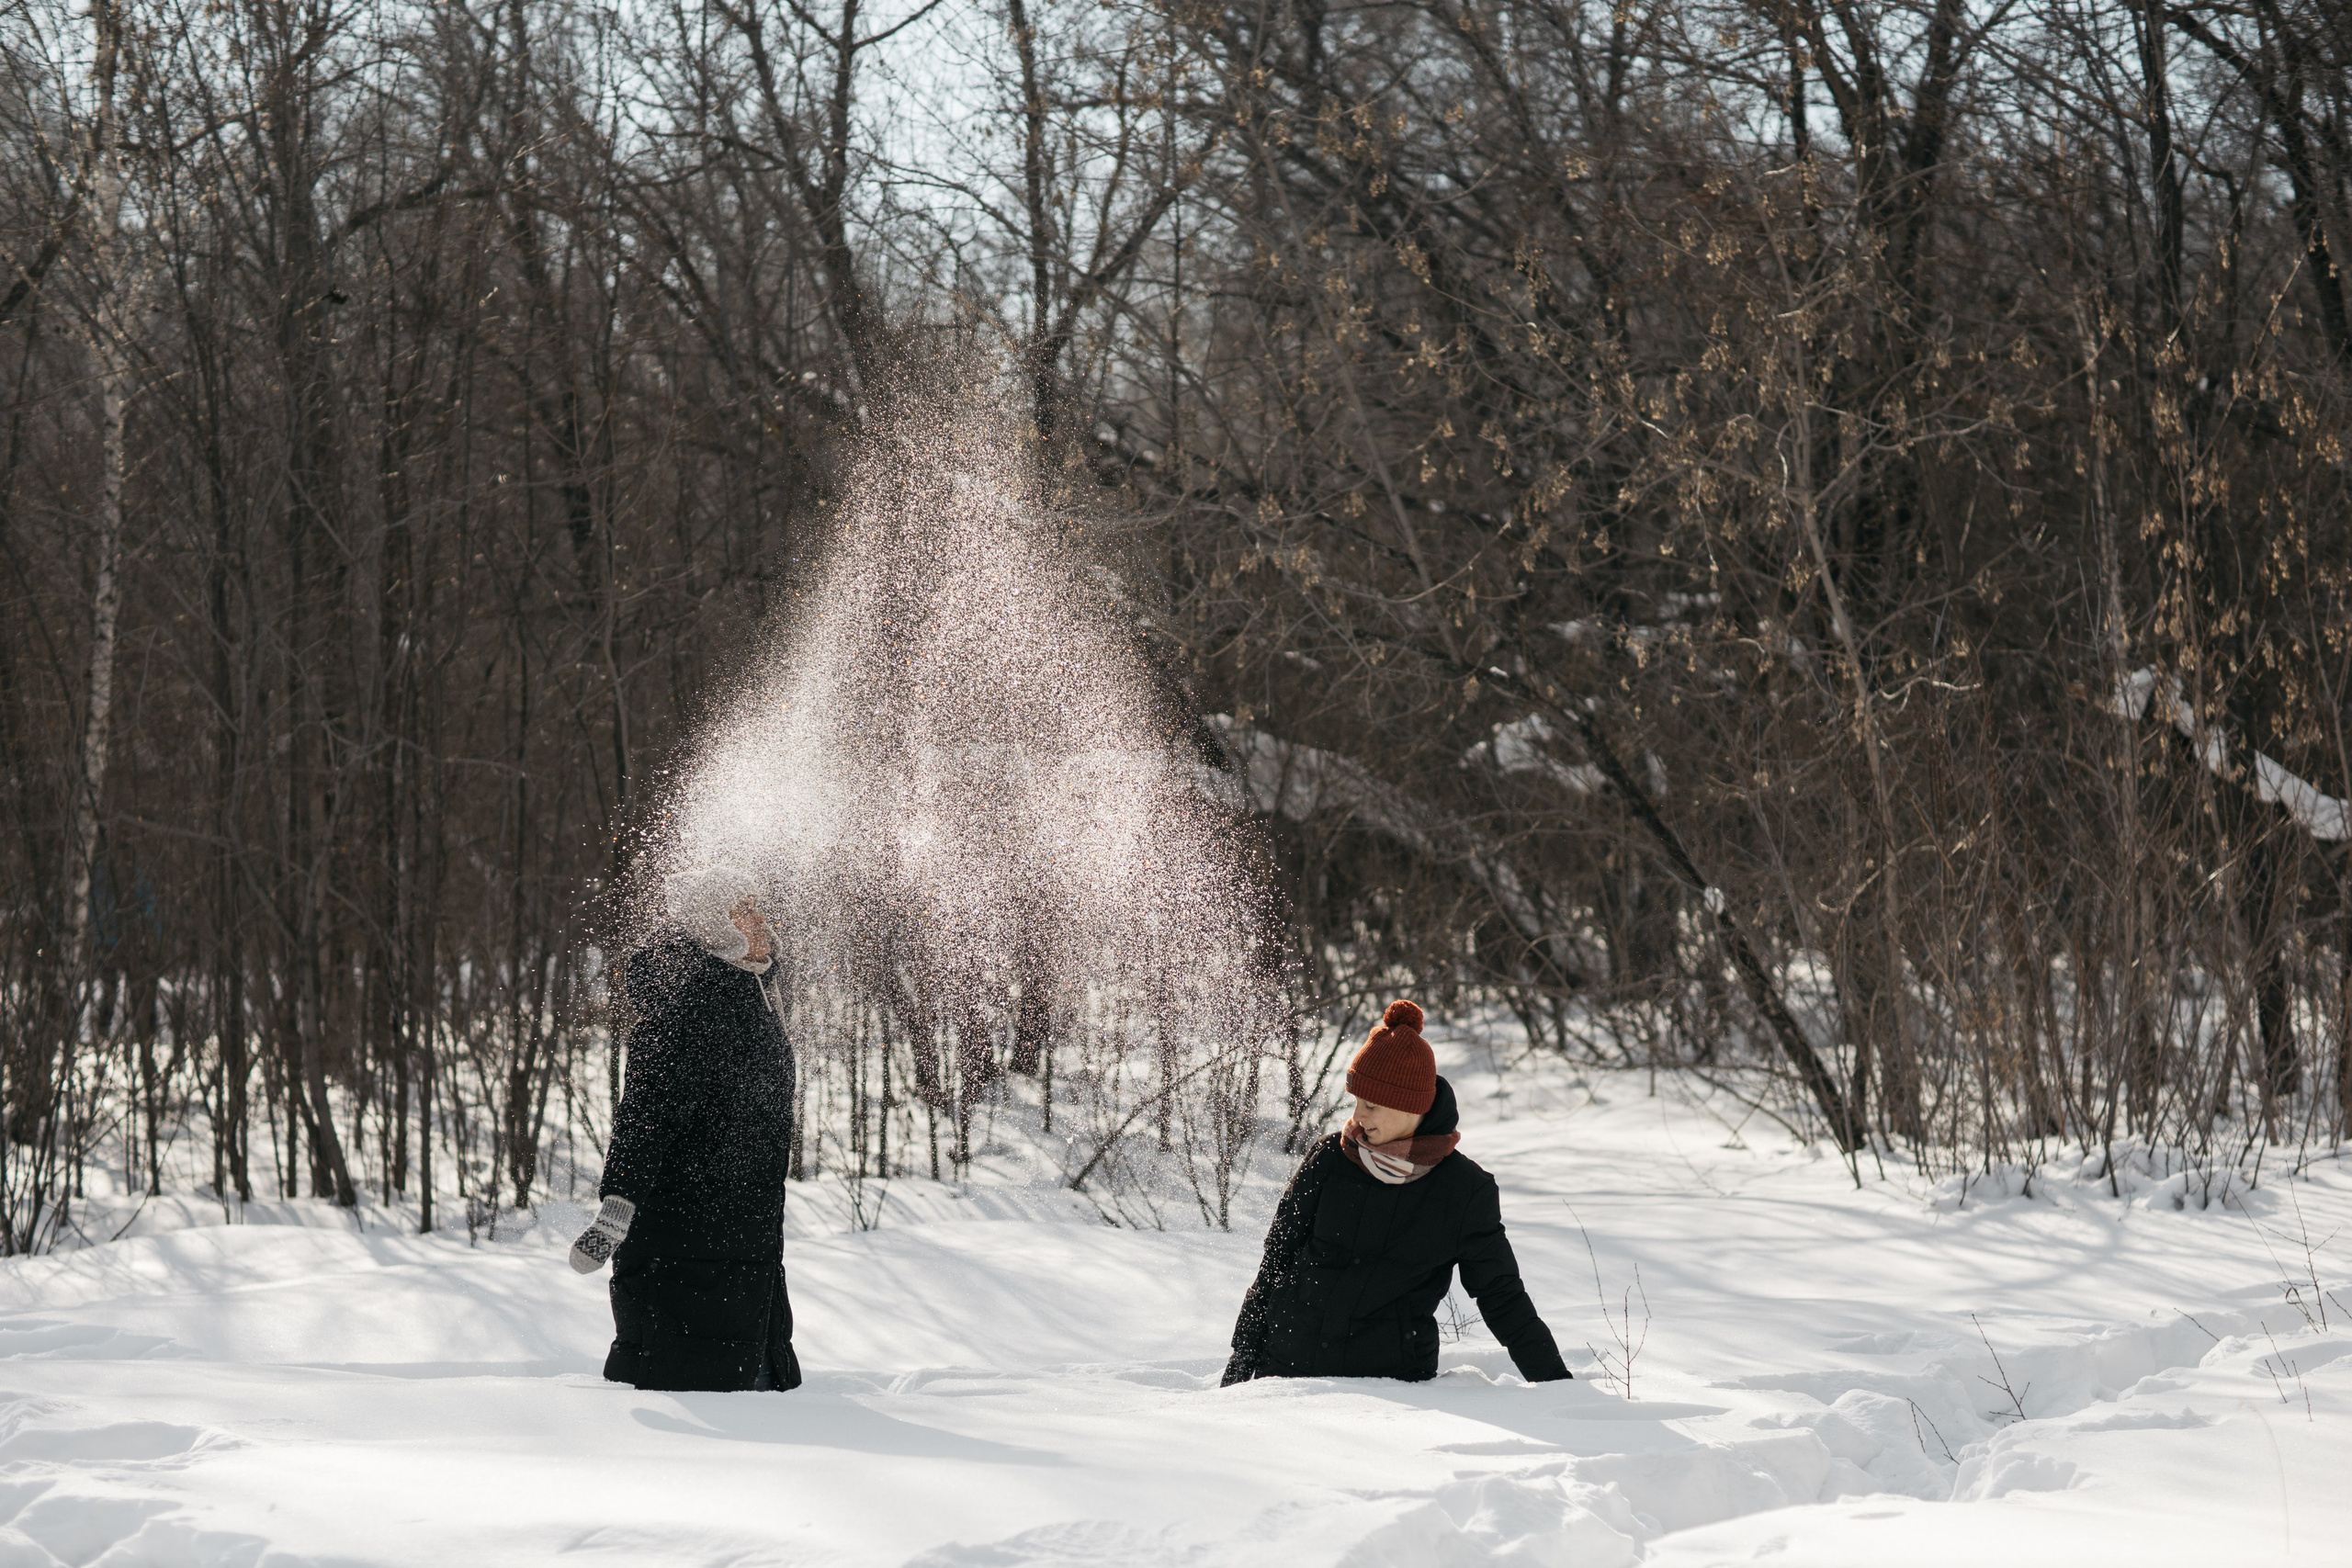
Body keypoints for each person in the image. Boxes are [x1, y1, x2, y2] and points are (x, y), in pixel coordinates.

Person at [1222, 999, 1571, 1387]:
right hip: (1287, 1371)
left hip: (1391, 1387)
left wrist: (1556, 1385)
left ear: (1410, 1106)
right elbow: (1276, 1260)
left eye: (1371, 1105)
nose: (1358, 1116)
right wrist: (1242, 1357)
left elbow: (1501, 1295)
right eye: (1356, 1101)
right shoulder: (1330, 1158)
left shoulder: (1464, 1190)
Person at [570, 866, 801, 1393]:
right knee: (700, 1411)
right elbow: (644, 1117)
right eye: (746, 911)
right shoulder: (685, 1008)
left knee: (765, 1419)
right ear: (717, 926)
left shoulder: (756, 999)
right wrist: (617, 1209)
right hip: (684, 1257)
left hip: (749, 1254)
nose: (762, 921)